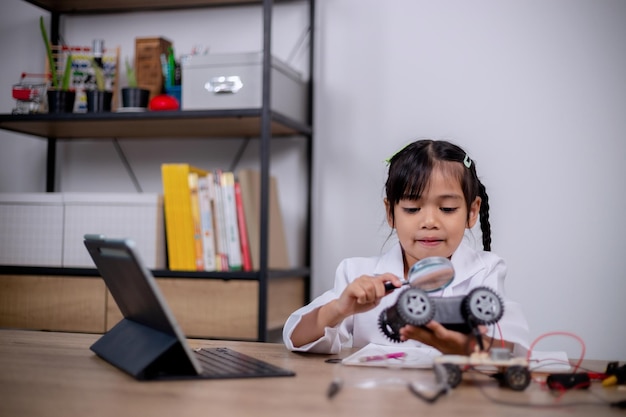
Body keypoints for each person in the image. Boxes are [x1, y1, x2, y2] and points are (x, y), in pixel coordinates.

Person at [283, 139, 529, 356]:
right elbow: (295, 337)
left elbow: (512, 349)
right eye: (412, 209)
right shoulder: (358, 274)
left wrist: (462, 347)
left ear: (472, 212)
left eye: (447, 209)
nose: (430, 222)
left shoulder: (484, 271)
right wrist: (338, 310)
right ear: (390, 212)